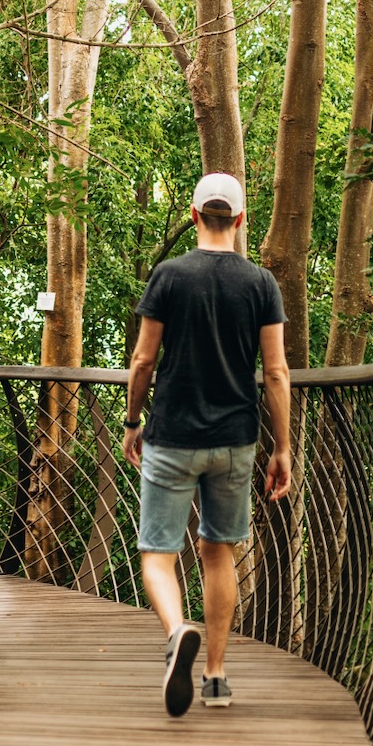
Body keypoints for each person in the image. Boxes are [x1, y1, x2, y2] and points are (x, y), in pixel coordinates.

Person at [122, 171, 292, 717]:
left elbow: (144, 360)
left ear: (194, 215)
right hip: (235, 439)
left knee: (157, 553)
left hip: (172, 435)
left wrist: (132, 420)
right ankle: (216, 677)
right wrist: (282, 448)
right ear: (241, 221)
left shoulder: (169, 276)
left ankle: (177, 633)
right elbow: (276, 372)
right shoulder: (262, 284)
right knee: (218, 552)